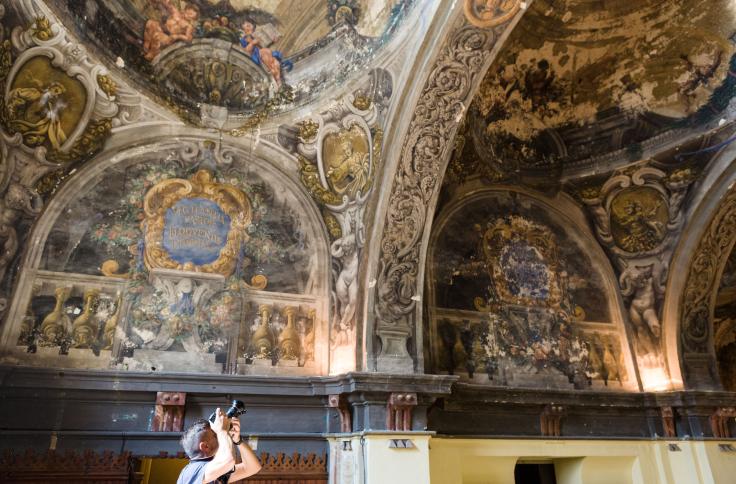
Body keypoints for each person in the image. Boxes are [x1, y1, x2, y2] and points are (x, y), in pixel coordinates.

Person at [177, 408, 262, 484]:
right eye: (215, 435)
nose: (218, 436)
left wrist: (237, 440)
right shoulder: (191, 471)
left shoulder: (214, 468)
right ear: (205, 446)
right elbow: (228, 461)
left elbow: (252, 468)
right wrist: (222, 430)